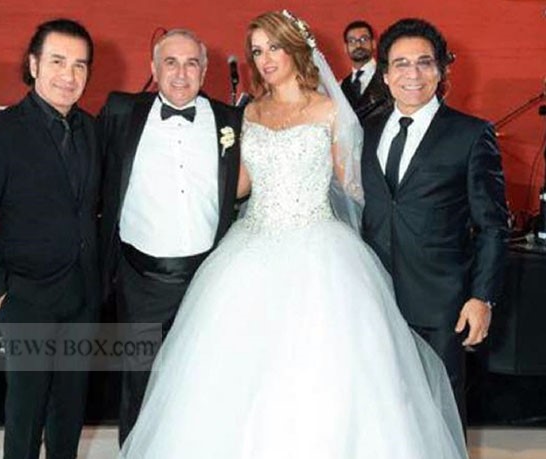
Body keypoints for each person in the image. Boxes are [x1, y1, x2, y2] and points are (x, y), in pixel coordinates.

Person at [119, 11, 467, 458]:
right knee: (233, 373)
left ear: (296, 49)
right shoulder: (249, 112)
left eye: (275, 47)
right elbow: (239, 186)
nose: (265, 59)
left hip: (318, 251)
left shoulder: (329, 110)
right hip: (250, 248)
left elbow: (356, 189)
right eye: (257, 51)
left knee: (320, 372)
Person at [0, 19, 100, 459]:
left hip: (82, 293)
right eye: (57, 61)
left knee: (70, 410)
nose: (69, 75)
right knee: (27, 411)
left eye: (79, 65)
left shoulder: (92, 129)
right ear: (34, 65)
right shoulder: (0, 131)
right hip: (25, 296)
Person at [97, 28, 243, 445]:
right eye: (171, 63)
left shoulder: (230, 121)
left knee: (202, 381)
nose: (181, 73)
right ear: (153, 68)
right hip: (140, 278)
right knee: (140, 383)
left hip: (207, 279)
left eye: (191, 63)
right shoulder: (121, 112)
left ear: (205, 70)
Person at [361, 18, 509, 427]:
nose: (413, 74)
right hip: (372, 299)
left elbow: (493, 226)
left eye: (424, 63)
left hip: (442, 305)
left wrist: (482, 298)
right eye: (401, 64)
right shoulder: (365, 131)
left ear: (441, 70)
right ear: (385, 75)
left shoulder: (471, 134)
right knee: (383, 416)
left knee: (441, 419)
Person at [340, 20, 392, 124]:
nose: (358, 45)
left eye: (364, 39)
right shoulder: (341, 86)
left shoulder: (389, 76)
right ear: (345, 48)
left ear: (373, 44)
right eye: (352, 41)